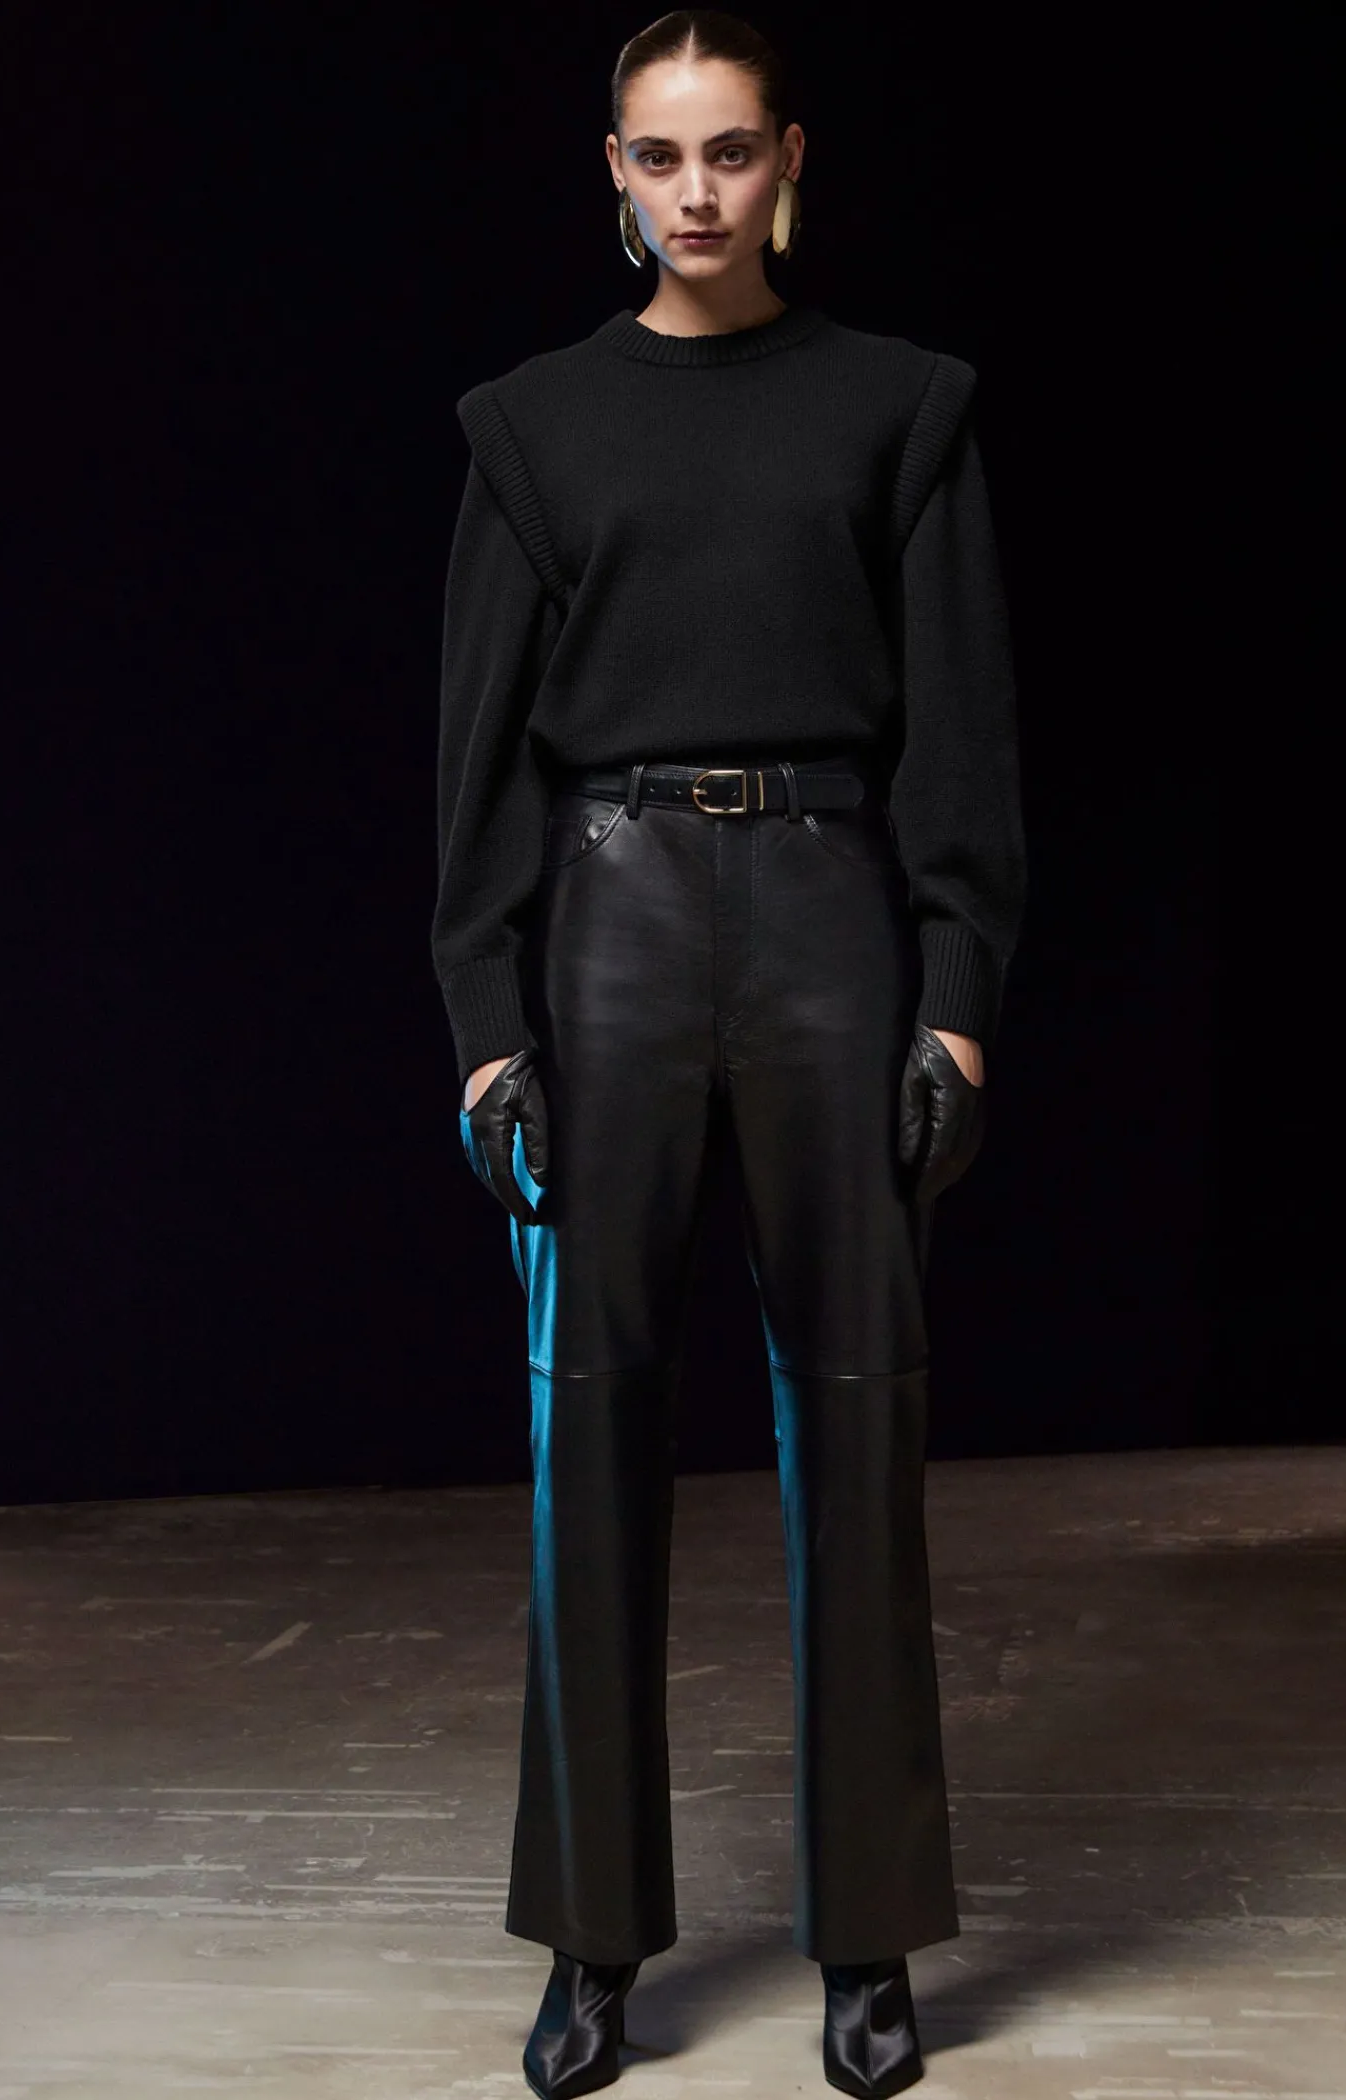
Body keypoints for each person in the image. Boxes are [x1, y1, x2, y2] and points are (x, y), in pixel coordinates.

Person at [431, 11, 1025, 2094]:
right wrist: (487, 1033)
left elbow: (961, 731)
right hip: (605, 921)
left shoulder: (902, 407)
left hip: (830, 917)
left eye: (733, 152)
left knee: (860, 1422)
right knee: (583, 1428)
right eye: (661, 156)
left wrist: (957, 996)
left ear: (791, 163)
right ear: (612, 169)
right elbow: (477, 768)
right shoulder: (530, 427)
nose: (698, 192)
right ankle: (592, 1946)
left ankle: (871, 1939)